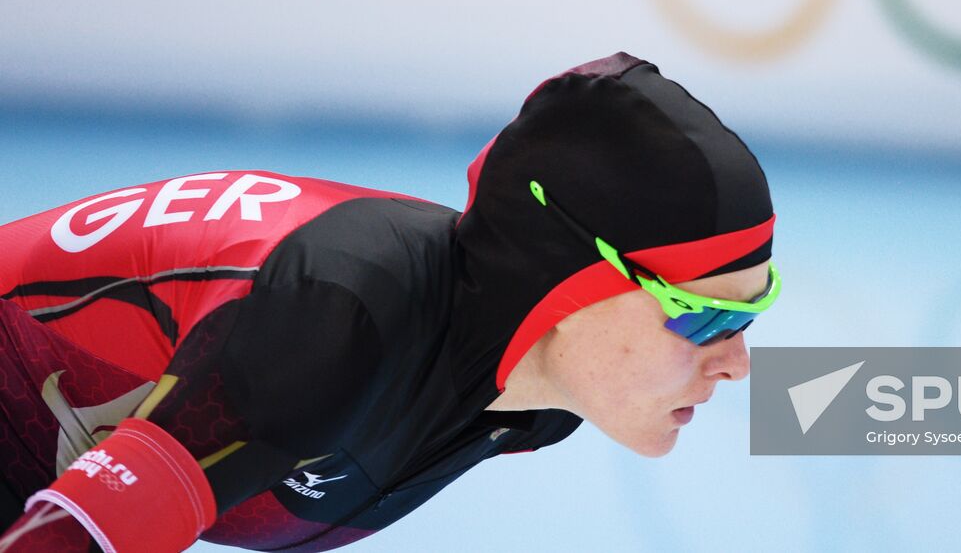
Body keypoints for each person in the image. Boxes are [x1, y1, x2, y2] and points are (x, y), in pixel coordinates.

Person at [0, 53, 779, 552]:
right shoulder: (336, 326)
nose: (739, 362)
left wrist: (889, 411)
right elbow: (66, 537)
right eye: (707, 314)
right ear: (570, 285)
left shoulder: (548, 381)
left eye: (753, 314)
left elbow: (848, 401)